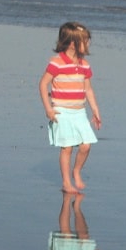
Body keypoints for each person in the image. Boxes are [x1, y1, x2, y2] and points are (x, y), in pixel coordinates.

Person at [38, 22, 103, 194]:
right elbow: (43, 84)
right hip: (62, 111)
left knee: (86, 145)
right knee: (67, 148)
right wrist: (48, 109)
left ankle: (76, 171)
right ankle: (66, 182)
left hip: (79, 112)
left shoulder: (84, 65)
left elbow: (88, 89)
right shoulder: (57, 63)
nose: (88, 44)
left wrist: (95, 110)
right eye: (85, 41)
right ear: (73, 43)